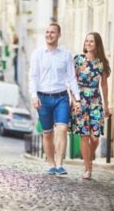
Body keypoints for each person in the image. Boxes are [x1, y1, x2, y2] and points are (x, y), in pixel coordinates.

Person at [29, 23, 81, 176]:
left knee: (63, 129)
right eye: (47, 32)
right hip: (43, 97)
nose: (49, 35)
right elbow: (33, 77)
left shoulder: (66, 54)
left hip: (61, 97)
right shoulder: (37, 54)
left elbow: (71, 78)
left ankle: (59, 164)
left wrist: (77, 99)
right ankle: (50, 163)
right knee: (47, 133)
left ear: (59, 35)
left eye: (52, 32)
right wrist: (34, 96)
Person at [72, 32, 113, 180]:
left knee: (95, 138)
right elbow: (72, 81)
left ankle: (89, 158)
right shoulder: (78, 59)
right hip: (81, 100)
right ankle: (87, 169)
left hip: (95, 101)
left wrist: (106, 105)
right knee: (84, 136)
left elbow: (104, 84)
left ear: (97, 45)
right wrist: (74, 100)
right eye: (86, 41)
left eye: (91, 42)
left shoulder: (101, 63)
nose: (88, 44)